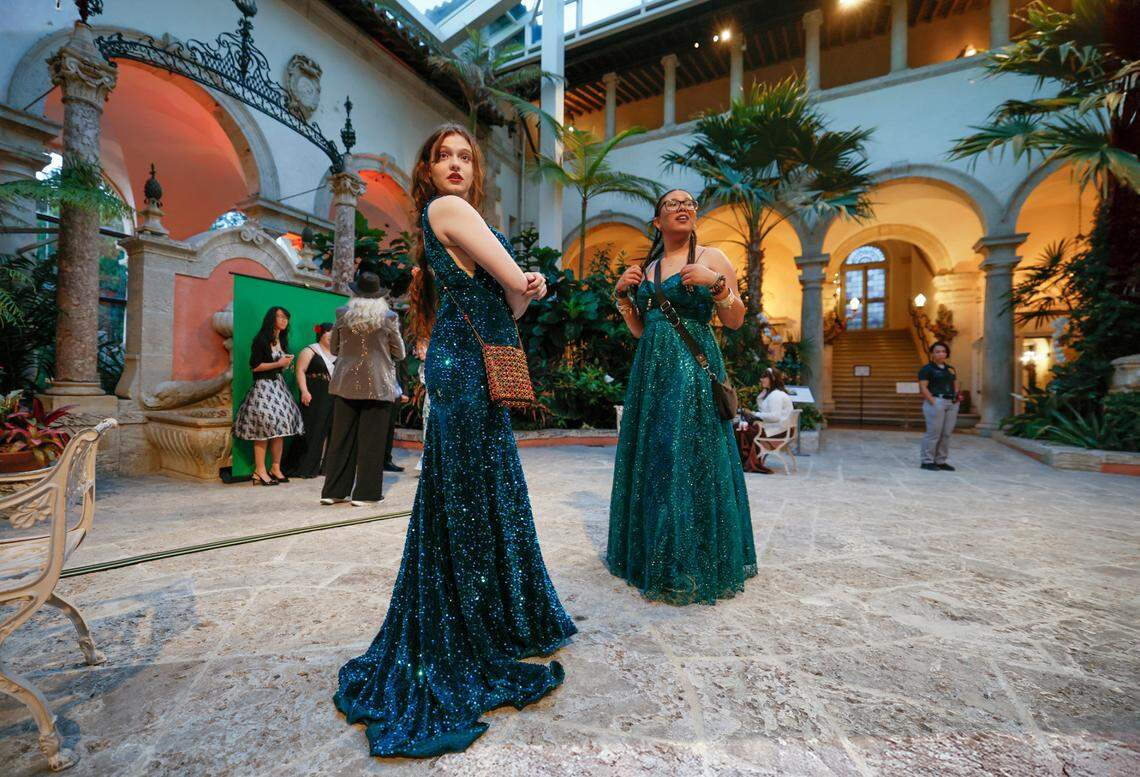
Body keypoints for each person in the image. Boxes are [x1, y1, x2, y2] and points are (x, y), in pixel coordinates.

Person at [333, 123, 576, 758]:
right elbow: (516, 289)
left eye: (466, 157)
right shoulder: (450, 210)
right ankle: (471, 627)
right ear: (430, 169)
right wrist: (528, 279)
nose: (457, 165)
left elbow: (511, 300)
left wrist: (523, 286)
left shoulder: (442, 217)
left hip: (465, 359)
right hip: (468, 366)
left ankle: (484, 616)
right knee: (470, 495)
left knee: (469, 492)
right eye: (445, 156)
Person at [607, 188, 757, 605]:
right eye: (672, 204)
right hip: (651, 373)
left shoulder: (711, 258)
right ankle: (654, 552)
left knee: (689, 459)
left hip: (693, 371)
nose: (683, 208)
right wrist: (623, 296)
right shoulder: (649, 267)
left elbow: (736, 319)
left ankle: (695, 557)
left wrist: (717, 286)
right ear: (656, 222)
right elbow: (641, 329)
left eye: (689, 203)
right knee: (656, 458)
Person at [320, 271, 405, 506]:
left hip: (345, 383)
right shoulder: (389, 317)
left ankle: (334, 492)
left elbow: (335, 349)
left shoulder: (342, 313)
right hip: (378, 385)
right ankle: (366, 495)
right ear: (378, 296)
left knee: (340, 439)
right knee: (372, 442)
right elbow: (399, 353)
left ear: (356, 293)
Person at [232, 306, 304, 486]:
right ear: (271, 318)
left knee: (280, 429)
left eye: (286, 317)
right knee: (263, 429)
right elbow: (255, 366)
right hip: (263, 387)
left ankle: (276, 468)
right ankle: (260, 470)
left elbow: (277, 365)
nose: (284, 320)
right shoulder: (261, 340)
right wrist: (278, 363)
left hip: (278, 386)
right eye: (280, 316)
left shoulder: (282, 340)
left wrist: (285, 364)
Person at [281, 322, 336, 478]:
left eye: (334, 332)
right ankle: (304, 467)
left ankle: (326, 467)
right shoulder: (310, 350)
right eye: (328, 331)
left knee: (332, 430)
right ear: (321, 333)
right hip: (314, 393)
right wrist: (304, 391)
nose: (331, 335)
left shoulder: (338, 353)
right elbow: (300, 371)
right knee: (312, 428)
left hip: (333, 394)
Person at [918, 340, 960, 471]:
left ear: (947, 353)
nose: (941, 354)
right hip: (937, 401)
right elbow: (923, 387)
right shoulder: (927, 369)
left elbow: (955, 385)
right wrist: (933, 401)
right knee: (934, 433)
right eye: (937, 351)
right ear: (932, 354)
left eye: (943, 351)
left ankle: (940, 461)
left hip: (951, 402)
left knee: (946, 433)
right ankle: (927, 461)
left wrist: (957, 397)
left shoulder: (950, 369)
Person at [750, 367, 795, 474]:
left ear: (772, 379)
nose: (761, 379)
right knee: (748, 428)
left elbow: (774, 416)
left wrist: (754, 414)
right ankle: (752, 460)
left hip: (779, 431)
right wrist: (760, 398)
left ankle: (750, 462)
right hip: (782, 429)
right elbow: (765, 411)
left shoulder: (776, 396)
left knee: (745, 431)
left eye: (764, 377)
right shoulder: (774, 394)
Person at [381, 306, 405, 474]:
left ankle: (386, 459)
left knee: (390, 427)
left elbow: (402, 367)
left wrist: (405, 392)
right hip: (377, 388)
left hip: (395, 390)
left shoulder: (398, 343)